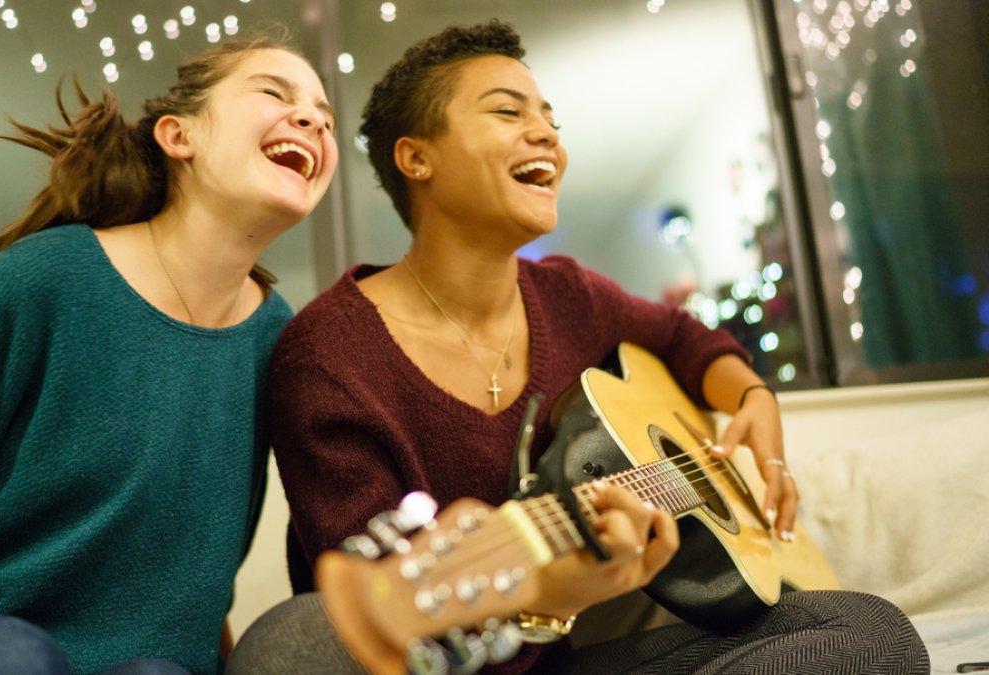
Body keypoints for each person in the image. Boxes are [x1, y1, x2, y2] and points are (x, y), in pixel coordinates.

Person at [229, 20, 927, 674]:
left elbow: (688, 338)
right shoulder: (327, 357)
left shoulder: (568, 294)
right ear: (416, 156)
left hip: (585, 656)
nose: (546, 138)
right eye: (509, 113)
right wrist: (551, 592)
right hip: (451, 656)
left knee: (872, 632)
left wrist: (753, 401)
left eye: (551, 122)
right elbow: (367, 632)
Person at [0, 33, 337, 675]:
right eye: (274, 92)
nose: (312, 121)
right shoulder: (38, 283)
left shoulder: (278, 338)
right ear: (177, 136)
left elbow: (186, 568)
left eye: (325, 118)